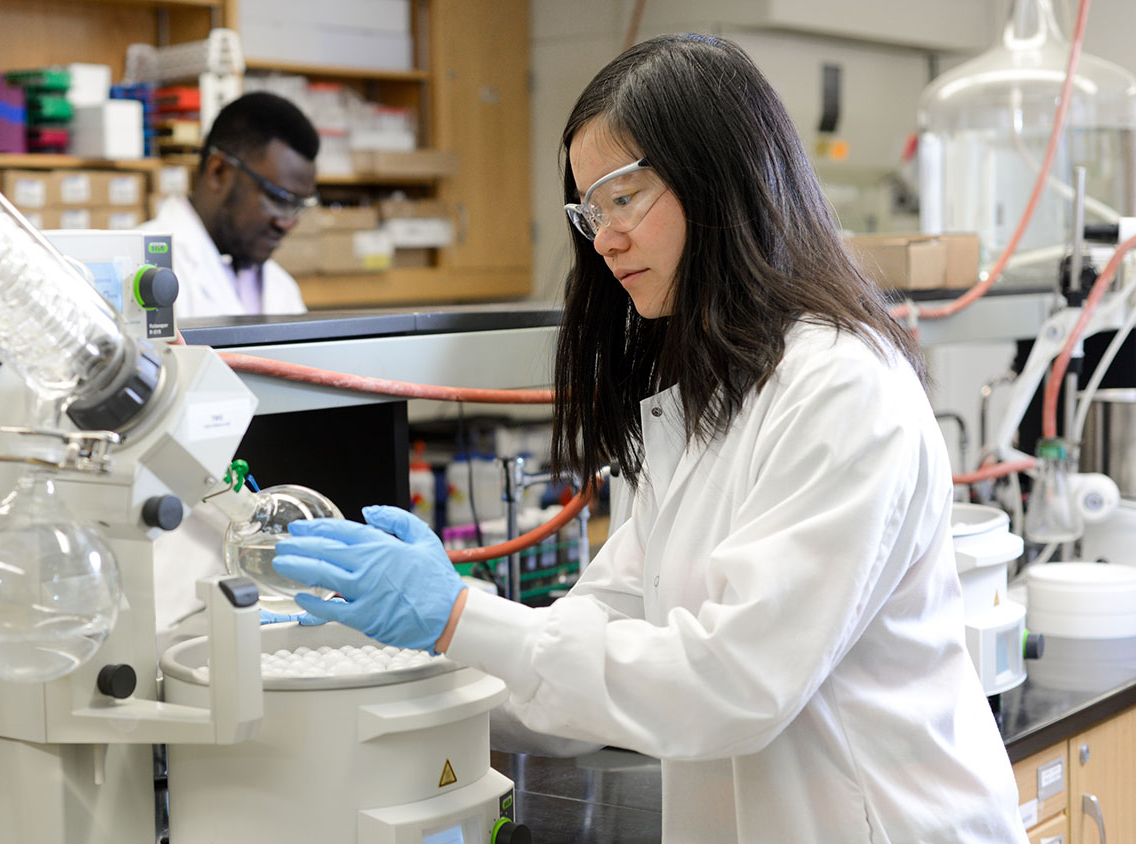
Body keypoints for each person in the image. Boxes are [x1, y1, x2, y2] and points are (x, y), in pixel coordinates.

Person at [268, 34, 1023, 842]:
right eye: (589, 210)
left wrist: (455, 615)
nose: (603, 239)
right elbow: (590, 662)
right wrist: (405, 645)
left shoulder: (841, 387)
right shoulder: (705, 408)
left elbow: (733, 686)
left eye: (623, 198)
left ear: (722, 178)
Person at [139, 92, 319, 319]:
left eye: (298, 206)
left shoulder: (282, 289)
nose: (287, 223)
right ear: (219, 172)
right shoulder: (140, 267)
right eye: (277, 199)